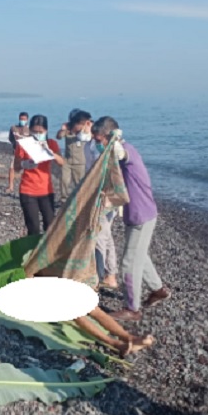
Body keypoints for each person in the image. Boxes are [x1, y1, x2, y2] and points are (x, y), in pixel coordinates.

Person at [91, 117, 169, 322]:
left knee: (128, 263)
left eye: (99, 140)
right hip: (137, 214)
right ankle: (159, 290)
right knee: (140, 256)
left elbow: (122, 153)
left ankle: (132, 309)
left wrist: (115, 142)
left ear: (111, 137)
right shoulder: (116, 158)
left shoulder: (127, 152)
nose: (97, 144)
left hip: (141, 215)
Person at [13, 115, 64, 235]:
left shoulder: (51, 143)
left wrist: (52, 154)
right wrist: (24, 164)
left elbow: (62, 162)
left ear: (46, 130)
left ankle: (46, 251)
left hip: (46, 190)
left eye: (40, 131)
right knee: (33, 227)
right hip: (28, 190)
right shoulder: (23, 144)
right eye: (35, 131)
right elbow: (16, 167)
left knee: (50, 225)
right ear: (30, 130)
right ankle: (32, 252)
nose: (37, 134)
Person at [84, 123, 118, 290]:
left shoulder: (114, 151)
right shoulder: (96, 147)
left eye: (99, 139)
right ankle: (110, 275)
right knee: (106, 237)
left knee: (100, 239)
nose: (97, 142)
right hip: (100, 196)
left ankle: (98, 279)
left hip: (107, 199)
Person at [57, 109, 91, 202]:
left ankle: (80, 200)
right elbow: (59, 136)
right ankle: (64, 200)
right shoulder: (68, 129)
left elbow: (89, 138)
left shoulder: (85, 130)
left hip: (80, 161)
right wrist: (62, 129)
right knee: (64, 181)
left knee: (79, 183)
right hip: (67, 160)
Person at [6, 111, 31, 193]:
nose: (22, 120)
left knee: (27, 170)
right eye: (21, 119)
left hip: (26, 153)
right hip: (15, 152)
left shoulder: (30, 129)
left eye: (24, 119)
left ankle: (27, 187)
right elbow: (10, 139)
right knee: (11, 168)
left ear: (27, 119)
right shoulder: (13, 128)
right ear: (19, 119)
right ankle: (10, 186)